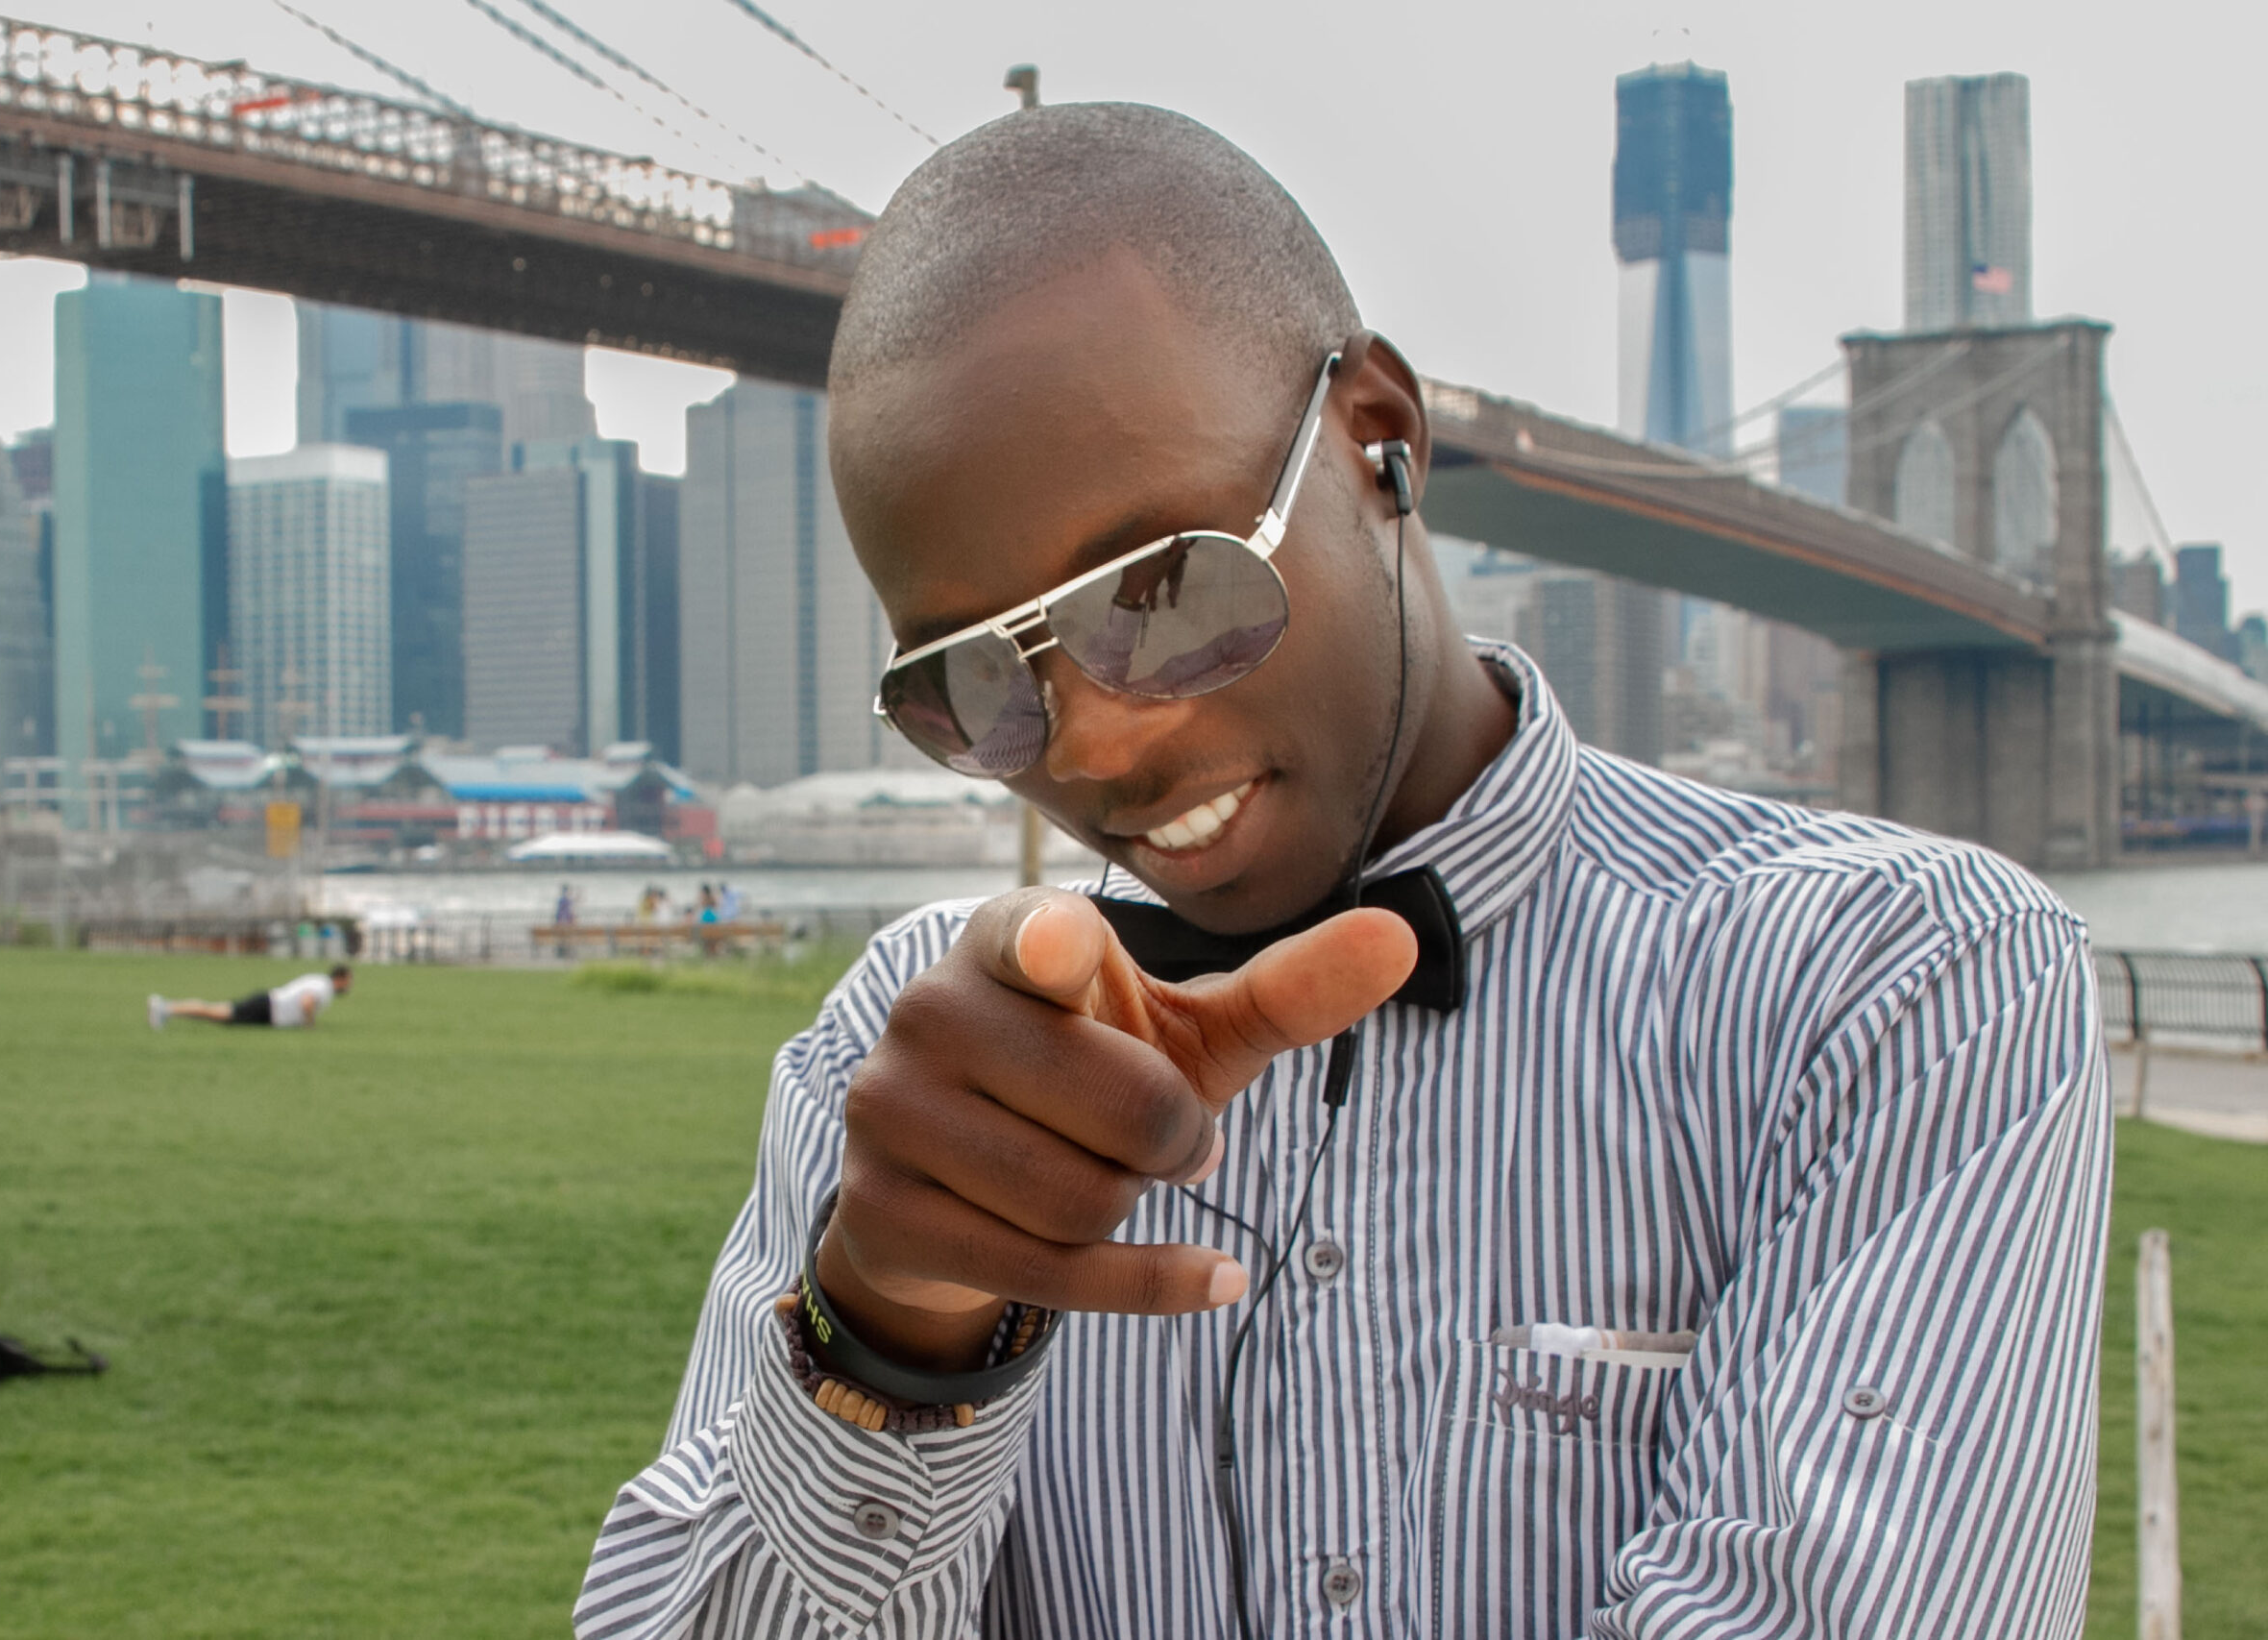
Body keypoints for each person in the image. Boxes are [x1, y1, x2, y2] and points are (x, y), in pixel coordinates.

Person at [575, 106, 2109, 1640]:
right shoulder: (900, 1060)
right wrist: (885, 1341)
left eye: (1162, 588)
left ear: (1382, 437)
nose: (1096, 744)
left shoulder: (1896, 985)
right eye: (974, 681)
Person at [149, 965, 350, 1031]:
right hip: (268, 1008)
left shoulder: (319, 981)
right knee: (214, 1013)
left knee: (213, 1011)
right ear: (340, 978)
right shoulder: (324, 987)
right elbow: (307, 1002)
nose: (349, 986)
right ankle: (165, 1008)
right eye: (349, 981)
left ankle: (167, 1008)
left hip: (268, 1005)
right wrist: (309, 1025)